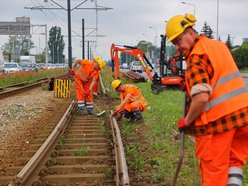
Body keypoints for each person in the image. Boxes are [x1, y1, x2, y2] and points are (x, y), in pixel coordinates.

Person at [166, 13, 248, 186]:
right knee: (233, 166)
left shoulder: (196, 57)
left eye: (178, 41)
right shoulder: (218, 46)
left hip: (218, 125)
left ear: (190, 32)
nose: (177, 48)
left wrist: (187, 121)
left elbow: (202, 99)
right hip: (242, 119)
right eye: (174, 43)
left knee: (213, 176)